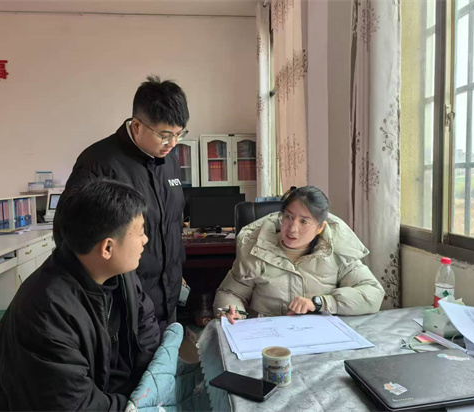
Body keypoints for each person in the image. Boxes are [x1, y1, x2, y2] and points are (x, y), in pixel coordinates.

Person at [0, 179, 161, 411]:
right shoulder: (45, 312)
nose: (145, 240)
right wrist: (138, 406)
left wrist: (148, 388)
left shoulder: (121, 274)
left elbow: (147, 328)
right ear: (107, 248)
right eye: (140, 233)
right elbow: (73, 405)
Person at [56, 75, 189, 333]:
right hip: (122, 306)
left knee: (164, 356)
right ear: (137, 125)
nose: (172, 144)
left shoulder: (169, 161)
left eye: (178, 134)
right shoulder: (98, 163)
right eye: (164, 135)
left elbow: (171, 223)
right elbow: (68, 234)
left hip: (168, 297)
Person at [213, 186, 385, 324]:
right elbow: (230, 292)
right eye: (288, 217)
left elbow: (372, 294)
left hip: (318, 336)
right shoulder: (256, 248)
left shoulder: (337, 251)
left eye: (304, 221)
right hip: (266, 334)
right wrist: (233, 311)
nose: (292, 228)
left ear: (320, 227)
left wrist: (320, 303)